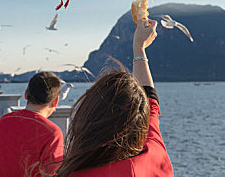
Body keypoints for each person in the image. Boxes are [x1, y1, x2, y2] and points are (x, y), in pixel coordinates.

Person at [55, 19, 174, 177]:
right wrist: (139, 49)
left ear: (88, 120)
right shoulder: (155, 155)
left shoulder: (76, 173)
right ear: (140, 121)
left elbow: (149, 98)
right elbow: (150, 97)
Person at [0, 71, 63, 177]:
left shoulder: (5, 120)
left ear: (26, 94)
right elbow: (51, 172)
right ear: (55, 101)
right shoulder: (52, 133)